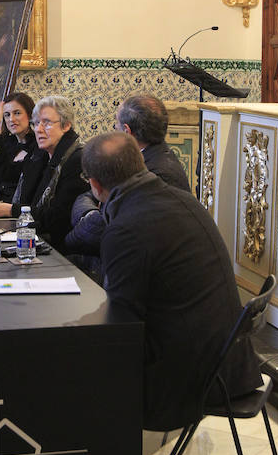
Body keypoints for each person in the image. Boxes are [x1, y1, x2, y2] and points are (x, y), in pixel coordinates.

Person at [81, 131, 263, 431]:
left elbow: (123, 323)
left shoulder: (126, 228)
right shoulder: (182, 199)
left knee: (72, 360)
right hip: (230, 363)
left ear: (95, 186)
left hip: (188, 381)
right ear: (140, 161)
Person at [65, 93, 191, 281]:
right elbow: (87, 196)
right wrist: (91, 214)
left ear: (126, 130)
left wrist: (87, 221)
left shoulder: (159, 174)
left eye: (116, 126)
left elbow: (104, 230)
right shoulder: (142, 158)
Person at [0, 95, 89, 253]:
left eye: (47, 123)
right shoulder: (43, 154)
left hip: (58, 250)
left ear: (66, 125)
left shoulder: (76, 160)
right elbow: (8, 176)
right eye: (36, 123)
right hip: (30, 236)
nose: (39, 129)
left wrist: (11, 210)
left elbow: (59, 218)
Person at [0, 90, 37, 202]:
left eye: (17, 113)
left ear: (30, 115)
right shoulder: (6, 143)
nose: (11, 119)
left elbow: (8, 176)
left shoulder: (39, 147)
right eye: (7, 115)